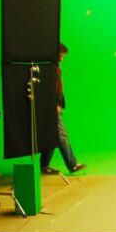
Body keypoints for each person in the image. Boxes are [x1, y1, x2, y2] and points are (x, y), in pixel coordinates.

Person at [41, 43, 87, 175]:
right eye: (60, 56)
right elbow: (48, 90)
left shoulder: (54, 67)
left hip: (54, 106)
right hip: (51, 108)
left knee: (52, 137)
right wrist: (54, 105)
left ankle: (44, 166)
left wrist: (59, 104)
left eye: (63, 56)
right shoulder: (49, 68)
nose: (61, 59)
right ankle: (72, 165)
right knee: (61, 136)